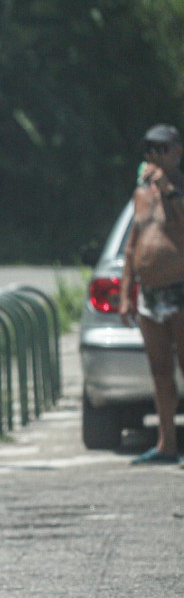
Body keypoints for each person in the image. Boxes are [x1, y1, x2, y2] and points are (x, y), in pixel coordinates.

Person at [120, 123, 184, 466]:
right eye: (150, 150)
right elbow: (132, 245)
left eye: (162, 150)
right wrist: (125, 294)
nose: (155, 157)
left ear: (177, 152)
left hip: (181, 288)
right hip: (150, 293)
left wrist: (170, 192)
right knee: (160, 369)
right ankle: (166, 443)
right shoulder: (141, 194)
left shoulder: (179, 189)